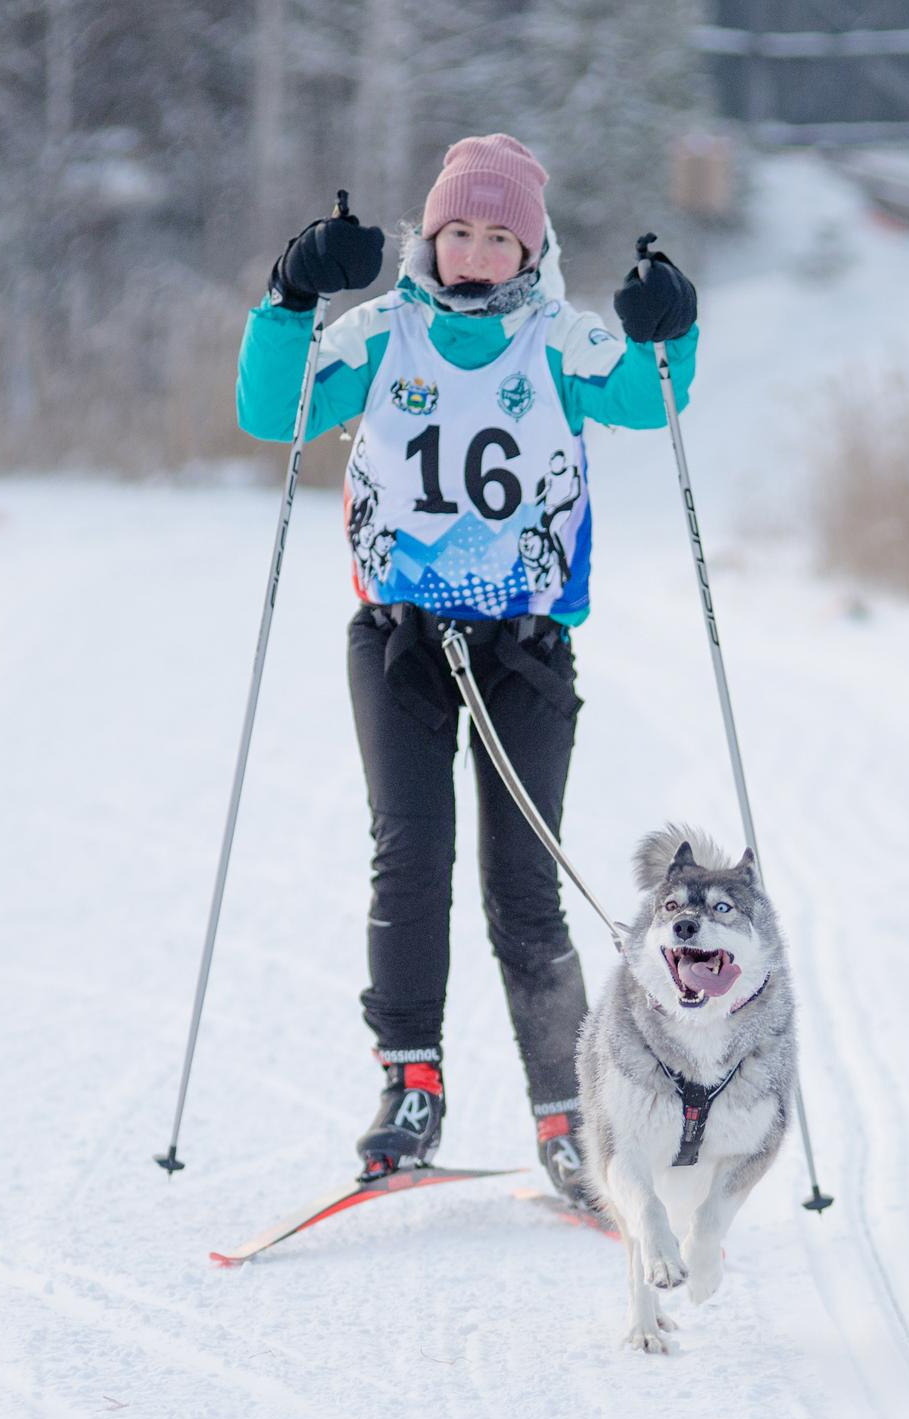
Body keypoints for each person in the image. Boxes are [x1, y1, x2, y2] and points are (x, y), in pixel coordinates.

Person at [235, 134, 701, 1206]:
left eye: (501, 236)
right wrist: (288, 293)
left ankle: (565, 1111)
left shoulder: (559, 340)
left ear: (529, 250)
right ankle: (410, 1085)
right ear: (427, 238)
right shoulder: (382, 332)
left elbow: (647, 396)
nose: (478, 252)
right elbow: (276, 413)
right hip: (398, 638)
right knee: (408, 858)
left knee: (522, 886)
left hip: (523, 651)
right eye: (459, 231)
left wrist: (670, 326)